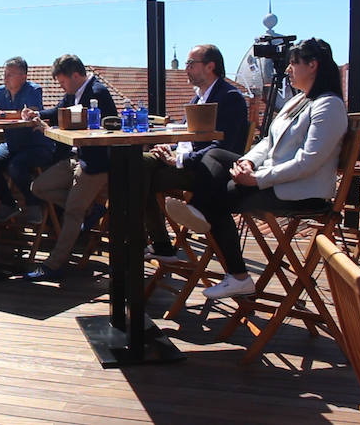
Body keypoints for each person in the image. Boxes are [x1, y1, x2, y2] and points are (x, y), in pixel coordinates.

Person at [166, 38, 348, 299]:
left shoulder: (328, 106)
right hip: (275, 179)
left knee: (220, 197)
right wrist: (248, 162)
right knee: (216, 154)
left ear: (312, 65)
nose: (287, 70)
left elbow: (308, 162)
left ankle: (237, 274)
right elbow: (267, 143)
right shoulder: (298, 101)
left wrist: (257, 179)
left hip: (299, 190)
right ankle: (200, 211)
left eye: (293, 64)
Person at [142, 45, 249, 261]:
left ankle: (156, 242)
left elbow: (223, 147)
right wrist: (168, 149)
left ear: (210, 66)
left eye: (191, 64)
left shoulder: (229, 98)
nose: (186, 69)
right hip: (185, 160)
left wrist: (179, 160)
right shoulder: (198, 97)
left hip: (206, 171)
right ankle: (156, 242)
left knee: (138, 176)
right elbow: (188, 138)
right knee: (135, 165)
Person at [23, 54, 118, 281]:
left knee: (73, 212)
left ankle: (53, 265)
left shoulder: (97, 93)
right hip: (75, 158)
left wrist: (47, 129)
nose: (61, 86)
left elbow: (100, 129)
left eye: (62, 81)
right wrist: (37, 114)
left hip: (95, 163)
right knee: (39, 187)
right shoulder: (74, 94)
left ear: (75, 75)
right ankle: (91, 209)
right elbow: (58, 112)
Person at [0, 57, 55, 224]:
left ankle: (34, 204)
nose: (5, 78)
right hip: (12, 144)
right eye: (5, 74)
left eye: (10, 74)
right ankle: (8, 204)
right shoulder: (0, 92)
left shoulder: (33, 89)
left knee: (16, 166)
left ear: (23, 76)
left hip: (36, 145)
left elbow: (31, 113)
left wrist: (0, 114)